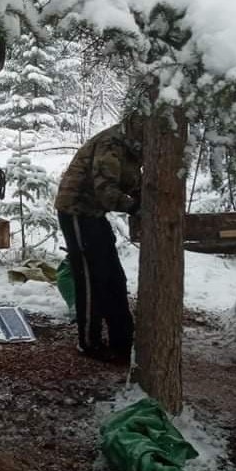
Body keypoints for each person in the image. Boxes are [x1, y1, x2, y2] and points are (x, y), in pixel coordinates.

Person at [54, 113, 143, 363]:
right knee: (91, 280)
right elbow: (106, 190)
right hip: (77, 211)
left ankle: (122, 341)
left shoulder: (133, 147)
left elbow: (133, 182)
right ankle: (88, 342)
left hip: (94, 215)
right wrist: (135, 207)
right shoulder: (112, 144)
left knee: (114, 276)